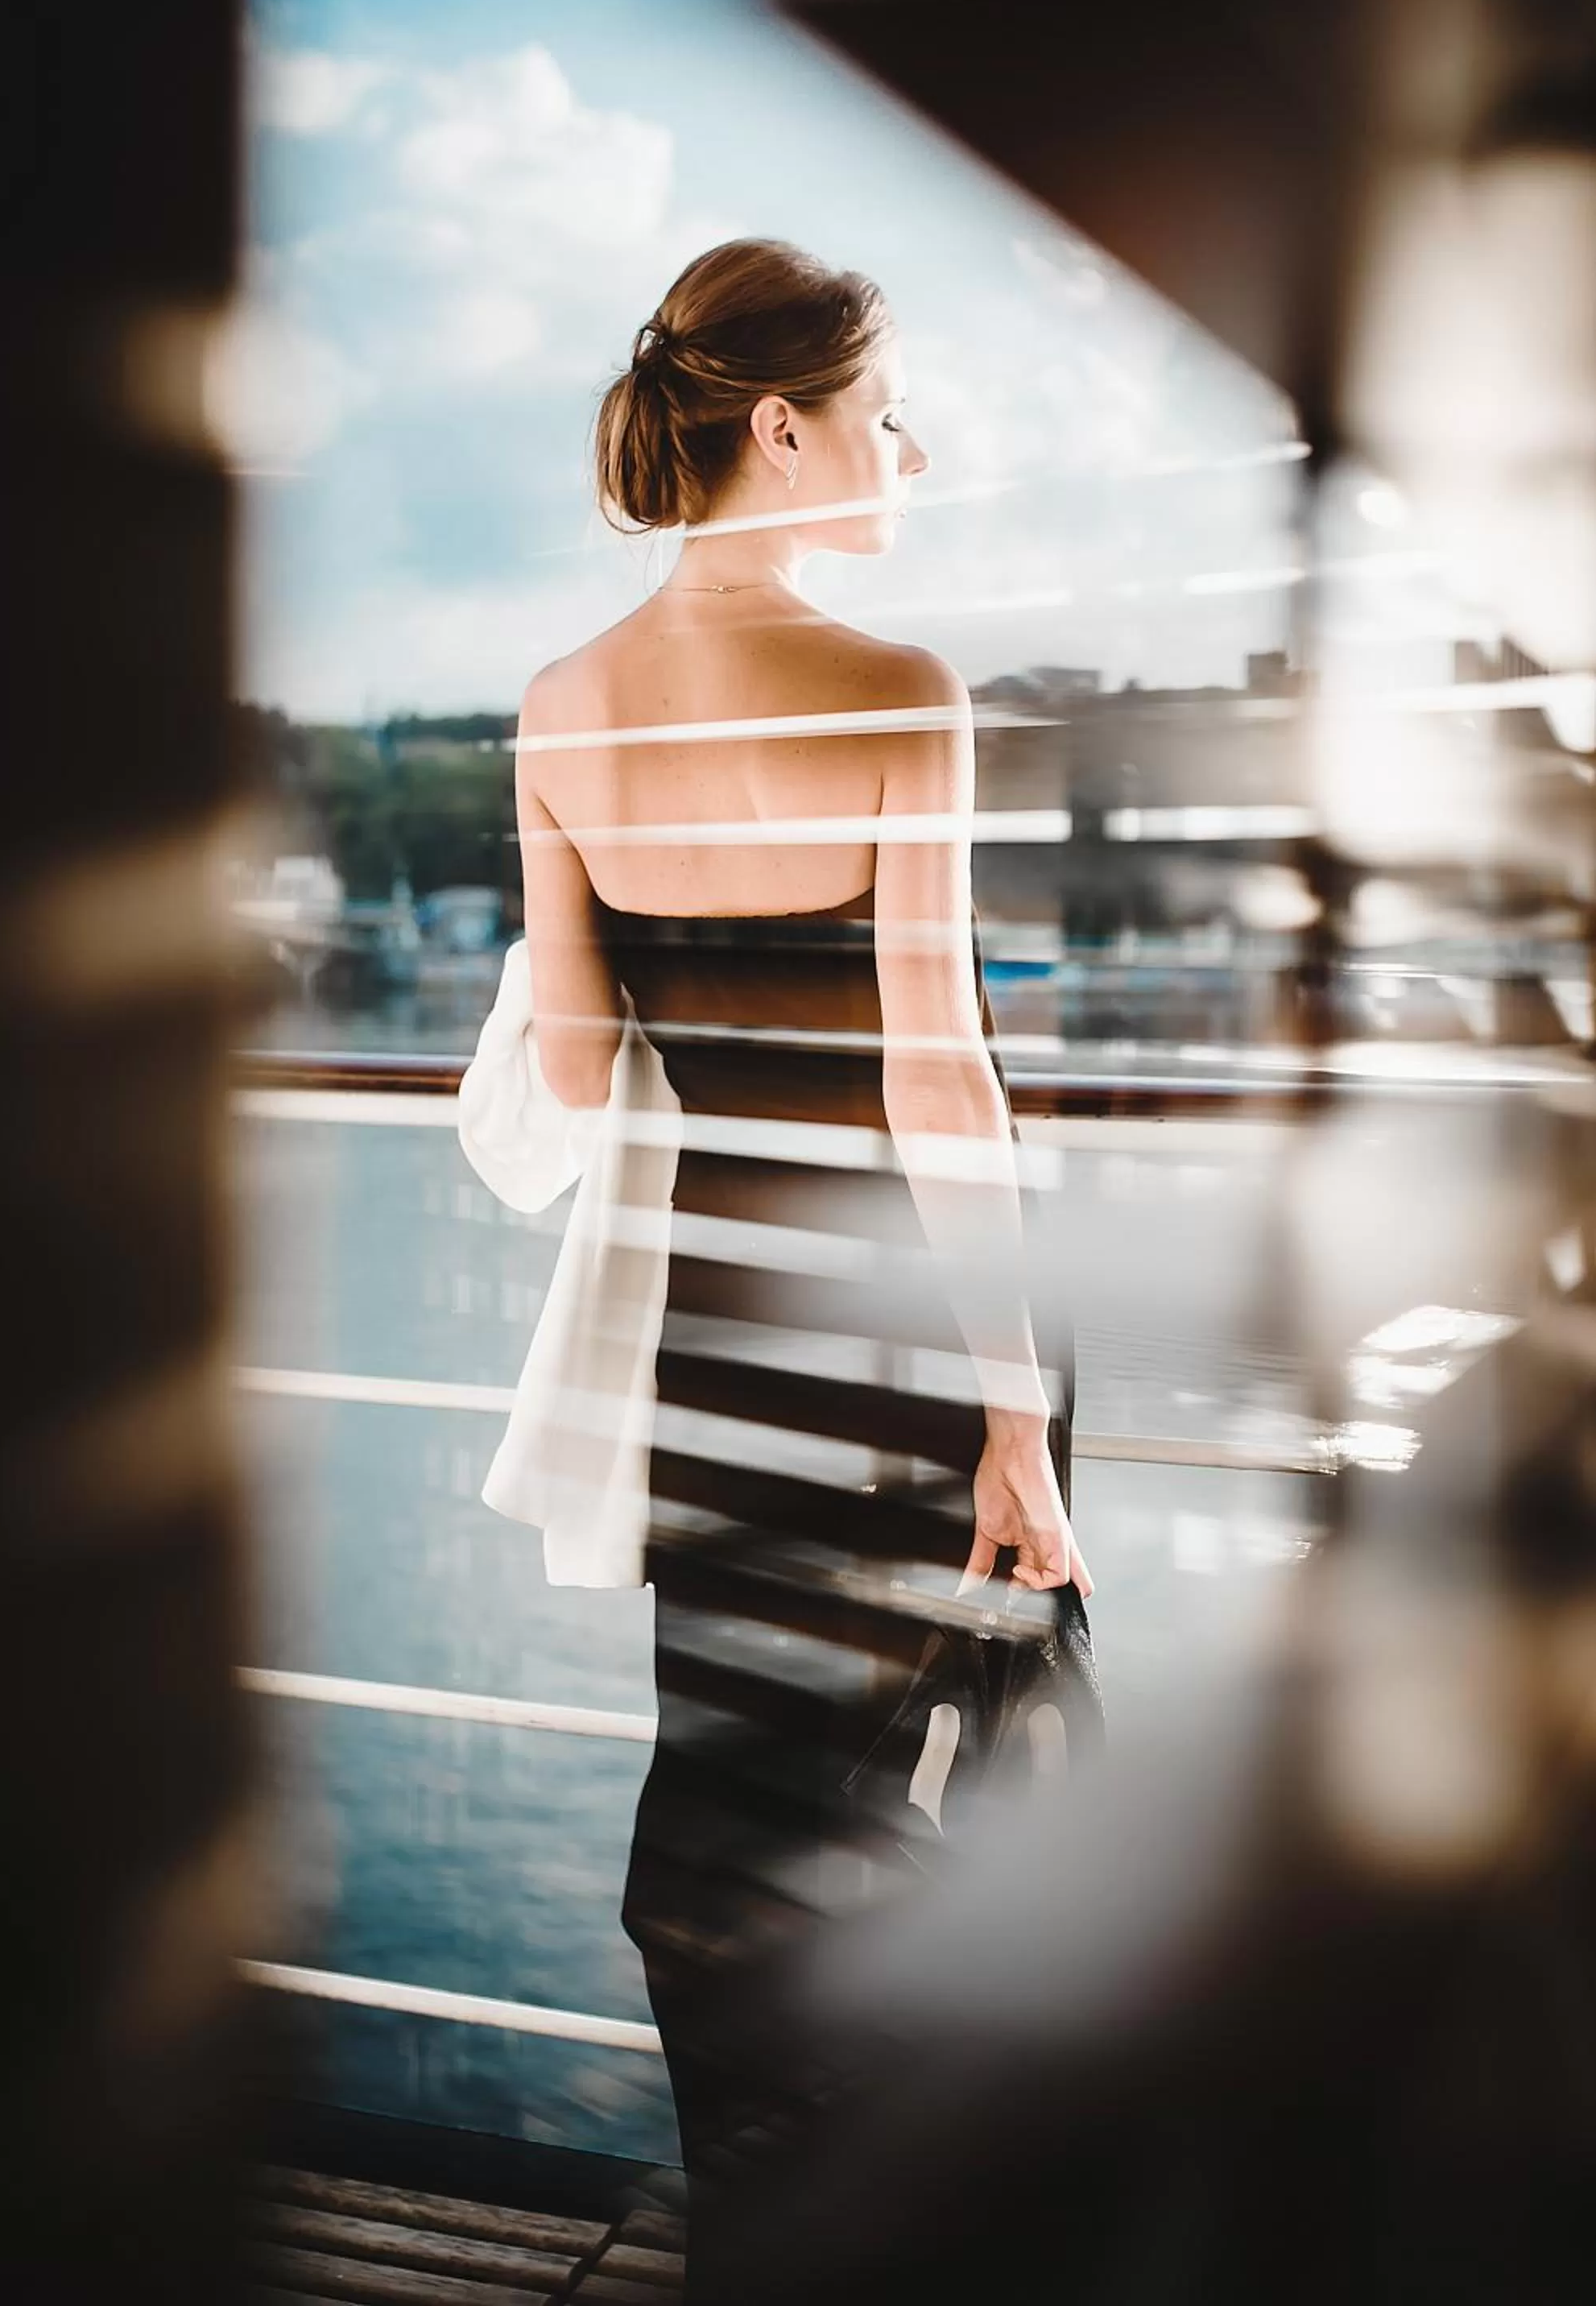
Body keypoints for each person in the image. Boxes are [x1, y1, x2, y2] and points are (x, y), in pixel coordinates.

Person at [513, 237, 1102, 2295]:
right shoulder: (895, 692)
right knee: (943, 1827)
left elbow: (581, 1064)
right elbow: (943, 1085)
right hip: (916, 1350)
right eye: (881, 413)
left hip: (712, 1354)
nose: (907, 450)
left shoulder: (558, 711)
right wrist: (1014, 1424)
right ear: (781, 428)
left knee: (739, 1834)